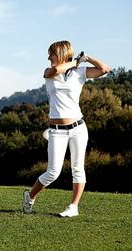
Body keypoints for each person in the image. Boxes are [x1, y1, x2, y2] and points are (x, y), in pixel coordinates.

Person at [22, 40, 110, 217]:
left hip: (78, 127)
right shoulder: (49, 73)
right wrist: (75, 61)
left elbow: (105, 69)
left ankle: (73, 207)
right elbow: (55, 70)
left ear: (61, 54)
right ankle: (30, 197)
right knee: (53, 172)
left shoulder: (80, 72)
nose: (48, 57)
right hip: (56, 130)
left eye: (51, 54)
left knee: (78, 169)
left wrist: (87, 58)